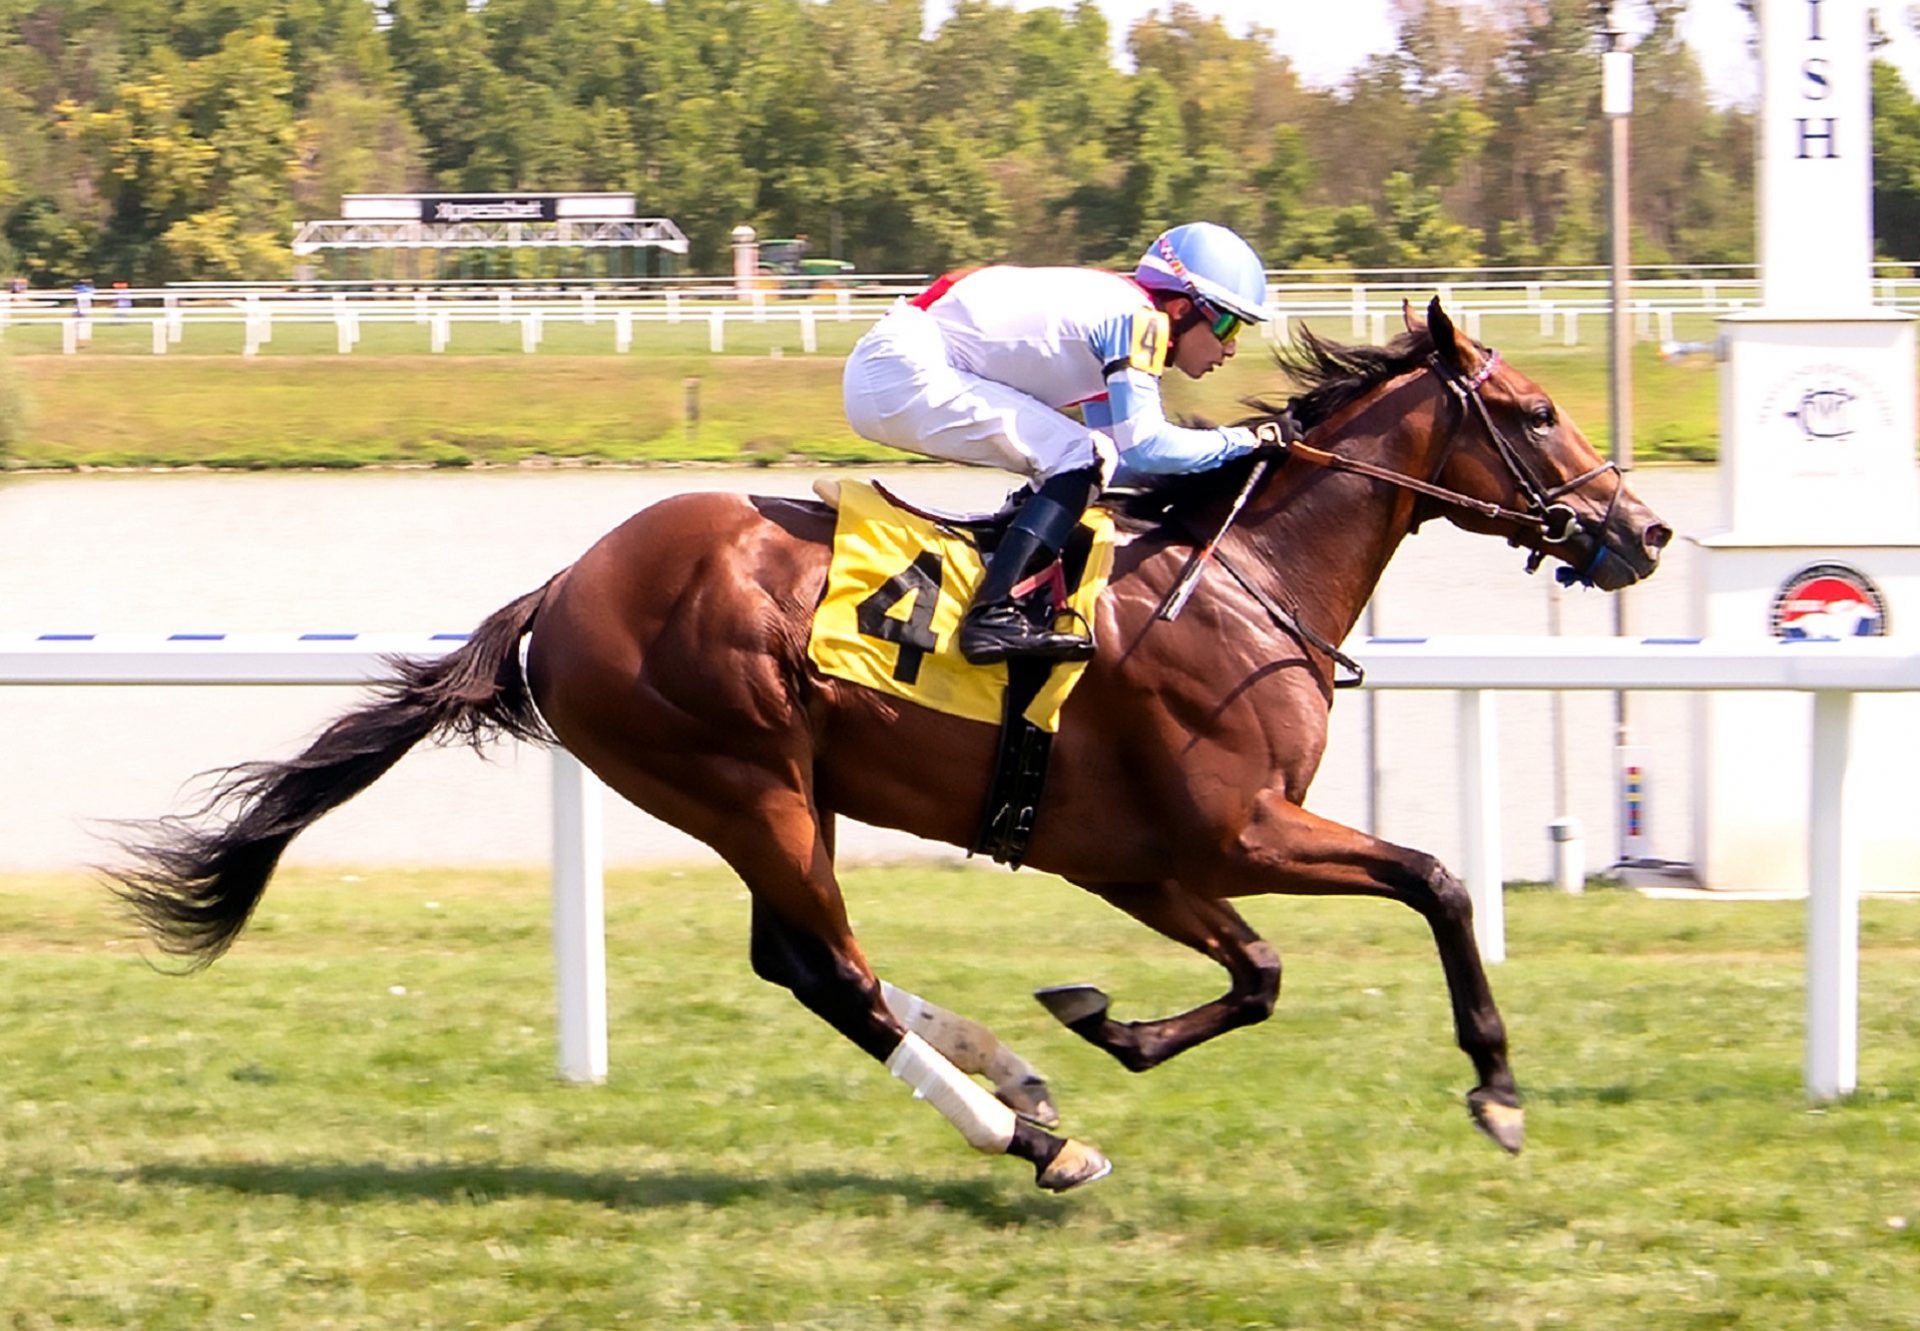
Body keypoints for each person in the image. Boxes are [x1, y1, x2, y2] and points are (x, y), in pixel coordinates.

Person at [843, 222, 1283, 665]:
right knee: (1081, 455)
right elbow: (1148, 446)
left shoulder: (1122, 314)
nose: (1230, 348)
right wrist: (1245, 441)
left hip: (896, 364)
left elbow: (1125, 460)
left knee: (1087, 456)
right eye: (1227, 324)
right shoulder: (1140, 321)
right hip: (903, 368)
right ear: (1183, 308)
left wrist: (1228, 460)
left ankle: (1006, 556)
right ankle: (993, 615)